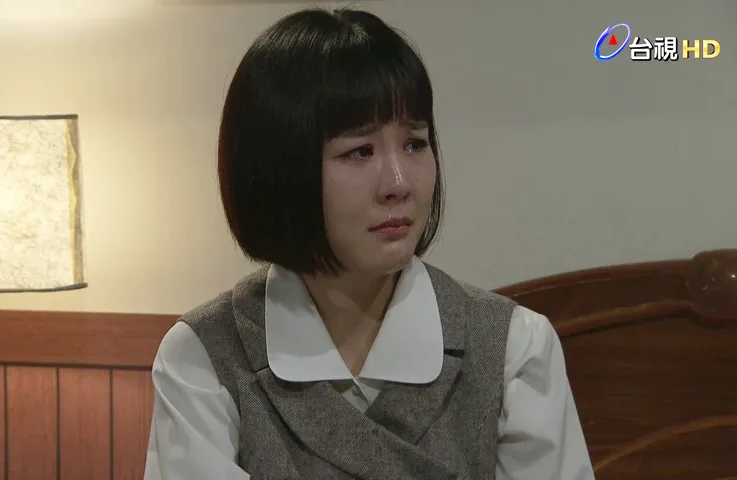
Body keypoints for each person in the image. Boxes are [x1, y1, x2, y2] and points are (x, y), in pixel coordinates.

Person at [143, 6, 594, 480]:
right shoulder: (205, 357)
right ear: (280, 170)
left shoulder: (513, 349)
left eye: (415, 143)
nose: (398, 184)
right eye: (359, 151)